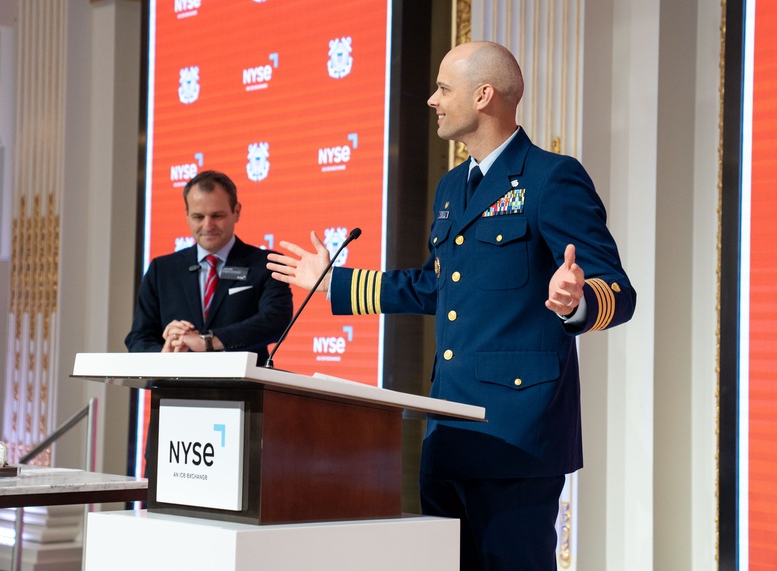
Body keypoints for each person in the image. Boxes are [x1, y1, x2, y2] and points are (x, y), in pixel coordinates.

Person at [266, 41, 635, 570]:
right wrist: (333, 283)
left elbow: (618, 289)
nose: (432, 100)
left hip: (515, 433)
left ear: (484, 95)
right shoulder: (450, 187)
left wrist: (577, 301)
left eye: (443, 88)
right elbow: (439, 286)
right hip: (449, 425)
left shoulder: (552, 177)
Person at [126, 170, 292, 364]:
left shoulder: (267, 264)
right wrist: (165, 353)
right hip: (174, 389)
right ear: (187, 215)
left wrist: (208, 341)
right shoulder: (162, 270)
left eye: (217, 215)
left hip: (243, 389)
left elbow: (275, 321)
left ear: (236, 212)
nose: (208, 225)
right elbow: (138, 338)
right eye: (198, 216)